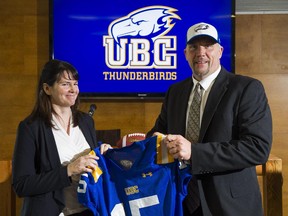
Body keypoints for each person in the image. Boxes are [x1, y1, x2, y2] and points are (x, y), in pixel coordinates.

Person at [147, 22, 272, 216]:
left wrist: (194, 152)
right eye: (194, 47)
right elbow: (157, 136)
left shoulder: (246, 88)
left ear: (220, 51)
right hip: (181, 201)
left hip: (229, 205)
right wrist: (119, 153)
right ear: (185, 54)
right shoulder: (175, 92)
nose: (201, 52)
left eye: (208, 46)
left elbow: (257, 148)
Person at [12, 59, 111, 216]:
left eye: (75, 83)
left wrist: (102, 154)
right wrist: (69, 170)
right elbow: (22, 185)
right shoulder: (30, 128)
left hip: (88, 210)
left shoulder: (86, 121)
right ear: (47, 88)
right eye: (65, 84)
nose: (73, 89)